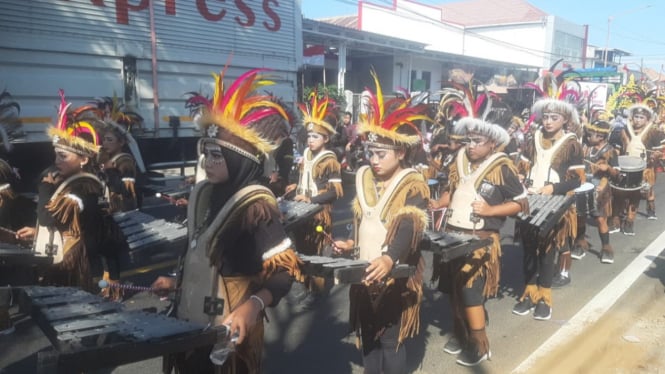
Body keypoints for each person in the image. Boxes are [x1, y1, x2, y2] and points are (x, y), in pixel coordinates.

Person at [151, 68, 303, 374]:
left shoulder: (256, 206)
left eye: (217, 156)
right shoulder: (203, 194)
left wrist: (254, 305)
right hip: (190, 324)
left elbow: (285, 273)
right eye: (205, 154)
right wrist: (178, 283)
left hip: (228, 336)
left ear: (240, 159)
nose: (208, 162)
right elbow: (200, 259)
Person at [333, 70, 430, 374]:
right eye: (370, 153)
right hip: (364, 272)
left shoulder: (412, 183)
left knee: (390, 341)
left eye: (380, 153)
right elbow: (361, 219)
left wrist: (389, 258)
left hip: (394, 274)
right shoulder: (365, 178)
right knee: (367, 337)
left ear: (400, 152)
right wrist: (351, 242)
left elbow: (410, 227)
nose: (373, 160)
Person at [429, 118, 527, 366]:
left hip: (480, 240)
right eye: (468, 140)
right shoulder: (458, 159)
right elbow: (451, 189)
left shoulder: (502, 167)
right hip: (451, 236)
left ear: (492, 144)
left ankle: (479, 344)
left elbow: (521, 204)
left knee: (470, 291)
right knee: (453, 289)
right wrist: (440, 202)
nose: (471, 146)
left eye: (477, 141)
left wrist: (490, 210)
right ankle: (460, 332)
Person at [16, 90, 106, 292]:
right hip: (67, 256)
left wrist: (45, 187)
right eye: (56, 155)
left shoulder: (84, 188)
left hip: (75, 263)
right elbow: (59, 223)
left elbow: (49, 218)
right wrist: (37, 232)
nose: (57, 162)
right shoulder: (73, 183)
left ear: (84, 160)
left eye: (63, 156)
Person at [513, 97, 584, 317]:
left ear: (565, 120)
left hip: (555, 202)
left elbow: (577, 180)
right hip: (530, 199)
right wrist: (520, 178)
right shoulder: (532, 138)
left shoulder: (572, 143)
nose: (548, 121)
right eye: (545, 117)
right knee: (528, 249)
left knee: (546, 250)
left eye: (554, 117)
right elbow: (523, 167)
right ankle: (529, 291)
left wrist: (552, 188)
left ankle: (545, 297)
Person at [283, 92, 343, 308]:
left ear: (326, 138)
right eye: (309, 136)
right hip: (302, 211)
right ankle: (305, 286)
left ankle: (317, 292)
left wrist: (310, 198)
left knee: (317, 253)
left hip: (318, 213)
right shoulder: (306, 154)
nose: (310, 140)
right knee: (302, 250)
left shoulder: (330, 159)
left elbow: (335, 192)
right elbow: (301, 178)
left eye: (315, 137)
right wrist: (294, 187)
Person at [609, 104, 664, 235]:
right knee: (618, 193)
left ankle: (630, 221)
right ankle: (615, 219)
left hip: (644, 168)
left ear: (647, 119)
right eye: (636, 117)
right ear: (632, 118)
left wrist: (653, 157)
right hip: (624, 167)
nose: (638, 120)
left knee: (637, 194)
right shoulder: (622, 131)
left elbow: (658, 152)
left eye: (642, 117)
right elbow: (616, 150)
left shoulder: (654, 132)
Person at [571, 119, 619, 264]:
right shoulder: (585, 147)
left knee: (600, 219)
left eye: (591, 134)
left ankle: (606, 247)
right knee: (581, 216)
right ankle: (580, 242)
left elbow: (617, 173)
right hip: (584, 185)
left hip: (600, 188)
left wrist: (608, 169)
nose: (587, 136)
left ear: (601, 137)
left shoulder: (610, 151)